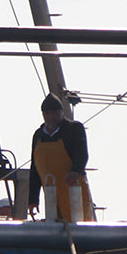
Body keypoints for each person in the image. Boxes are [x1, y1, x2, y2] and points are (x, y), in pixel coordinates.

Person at [28, 93, 95, 221]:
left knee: (78, 222)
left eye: (55, 112)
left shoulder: (74, 129)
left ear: (61, 112)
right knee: (54, 222)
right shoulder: (38, 135)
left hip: (73, 190)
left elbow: (82, 154)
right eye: (47, 113)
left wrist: (76, 171)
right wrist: (32, 199)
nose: (51, 116)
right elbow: (34, 169)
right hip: (51, 193)